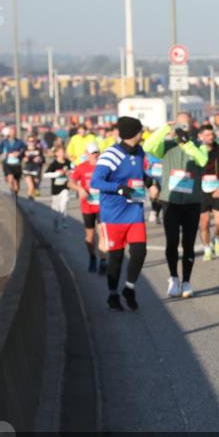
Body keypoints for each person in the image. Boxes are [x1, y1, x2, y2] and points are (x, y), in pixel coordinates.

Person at [142, 112, 206, 298]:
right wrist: (165, 129)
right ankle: (173, 278)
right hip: (170, 201)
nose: (183, 128)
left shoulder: (199, 146)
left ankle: (186, 281)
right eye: (180, 125)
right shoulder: (167, 146)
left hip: (192, 202)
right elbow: (148, 145)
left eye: (186, 125)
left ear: (193, 126)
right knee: (171, 242)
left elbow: (202, 161)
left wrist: (188, 144)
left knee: (188, 243)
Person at [91, 116, 148, 312]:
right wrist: (119, 188)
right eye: (140, 130)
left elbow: (141, 175)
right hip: (113, 215)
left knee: (139, 252)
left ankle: (129, 288)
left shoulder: (140, 152)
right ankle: (112, 295)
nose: (143, 133)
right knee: (115, 259)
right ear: (133, 133)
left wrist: (152, 184)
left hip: (135, 212)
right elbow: (95, 182)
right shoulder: (111, 155)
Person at [69, 143, 107, 274]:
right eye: (92, 153)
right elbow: (70, 182)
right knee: (90, 238)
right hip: (87, 206)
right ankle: (92, 257)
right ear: (87, 154)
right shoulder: (81, 168)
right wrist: (79, 188)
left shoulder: (105, 167)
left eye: (97, 152)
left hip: (102, 205)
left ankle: (103, 261)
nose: (95, 155)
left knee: (102, 233)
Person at [196, 123, 219, 261]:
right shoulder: (196, 151)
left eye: (212, 134)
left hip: (218, 189)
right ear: (200, 137)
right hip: (202, 192)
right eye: (207, 135)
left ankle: (216, 239)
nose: (211, 137)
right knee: (204, 223)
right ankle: (206, 249)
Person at [43, 145, 72, 232]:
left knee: (65, 201)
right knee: (56, 208)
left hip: (65, 186)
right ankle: (56, 223)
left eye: (63, 151)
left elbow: (73, 170)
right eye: (60, 152)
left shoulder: (67, 162)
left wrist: (69, 172)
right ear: (56, 154)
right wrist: (57, 174)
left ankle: (64, 219)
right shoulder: (54, 164)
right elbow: (45, 174)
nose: (62, 153)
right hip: (56, 189)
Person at [0, 127, 27, 197]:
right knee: (10, 178)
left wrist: (19, 153)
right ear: (8, 133)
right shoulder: (4, 141)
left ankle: (15, 194)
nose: (12, 133)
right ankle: (12, 192)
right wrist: (4, 154)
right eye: (11, 132)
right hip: (8, 163)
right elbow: (0, 149)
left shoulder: (19, 142)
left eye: (14, 132)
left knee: (16, 182)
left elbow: (24, 149)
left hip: (17, 164)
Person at [23, 134, 44, 199]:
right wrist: (24, 159)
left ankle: (32, 201)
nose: (31, 142)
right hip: (27, 169)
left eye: (33, 141)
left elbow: (43, 160)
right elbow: (20, 158)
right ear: (27, 142)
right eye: (30, 141)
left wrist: (39, 159)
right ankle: (29, 202)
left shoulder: (39, 150)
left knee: (34, 187)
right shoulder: (24, 149)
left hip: (36, 170)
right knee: (31, 187)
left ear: (35, 142)